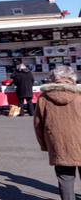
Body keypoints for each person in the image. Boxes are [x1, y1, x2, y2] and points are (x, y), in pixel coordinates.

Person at [34, 66, 81, 200]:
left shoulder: (44, 98)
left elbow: (38, 124)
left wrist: (44, 145)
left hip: (58, 143)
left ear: (53, 79)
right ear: (72, 78)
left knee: (65, 178)